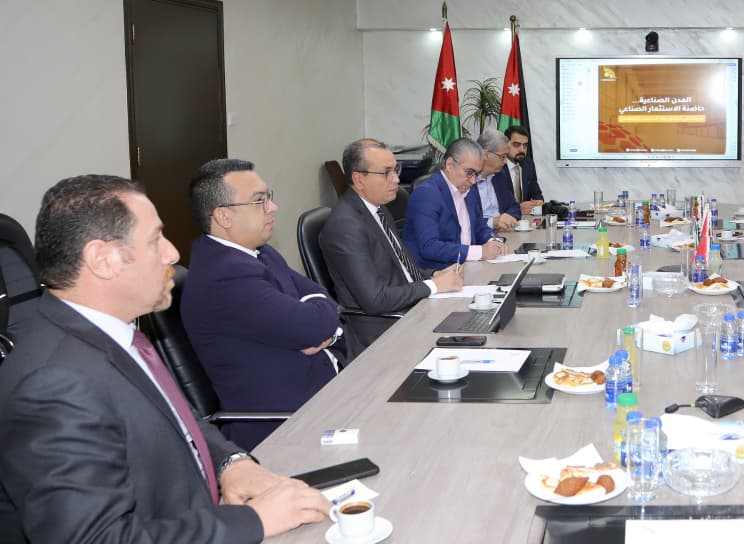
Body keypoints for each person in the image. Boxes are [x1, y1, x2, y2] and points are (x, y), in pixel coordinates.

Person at [0, 175, 329, 542]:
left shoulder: (111, 333)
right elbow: (96, 538)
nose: (172, 253)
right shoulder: (53, 382)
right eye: (156, 239)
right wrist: (253, 521)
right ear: (102, 260)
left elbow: (178, 419)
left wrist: (231, 463)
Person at [182, 159, 342, 449]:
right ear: (224, 216)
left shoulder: (260, 252)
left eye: (269, 197)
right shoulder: (225, 276)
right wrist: (318, 321)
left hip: (324, 394)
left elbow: (322, 299)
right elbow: (314, 324)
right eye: (259, 201)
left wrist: (323, 327)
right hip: (287, 427)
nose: (273, 207)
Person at [320, 138, 464, 355]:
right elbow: (375, 300)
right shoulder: (345, 226)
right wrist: (433, 286)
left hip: (410, 311)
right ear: (359, 179)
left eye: (396, 169)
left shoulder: (378, 209)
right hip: (383, 331)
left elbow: (401, 269)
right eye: (386, 173)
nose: (396, 179)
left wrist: (434, 275)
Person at [404, 137, 507, 271]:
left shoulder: (469, 190)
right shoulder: (427, 194)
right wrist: (480, 252)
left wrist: (493, 241)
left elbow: (480, 228)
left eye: (477, 174)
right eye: (469, 173)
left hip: (470, 268)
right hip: (438, 273)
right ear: (450, 164)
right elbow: (430, 247)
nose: (473, 181)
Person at [474, 129, 520, 232]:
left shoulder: (499, 176)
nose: (505, 162)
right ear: (486, 154)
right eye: (502, 157)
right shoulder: (468, 180)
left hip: (502, 233)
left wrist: (505, 219)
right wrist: (492, 222)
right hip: (478, 237)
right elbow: (466, 220)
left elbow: (514, 207)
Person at [503, 125, 545, 215]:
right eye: (516, 145)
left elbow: (536, 193)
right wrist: (517, 209)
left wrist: (539, 202)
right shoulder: (498, 166)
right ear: (505, 145)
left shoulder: (528, 164)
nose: (522, 150)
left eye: (525, 145)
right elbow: (495, 205)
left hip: (525, 220)